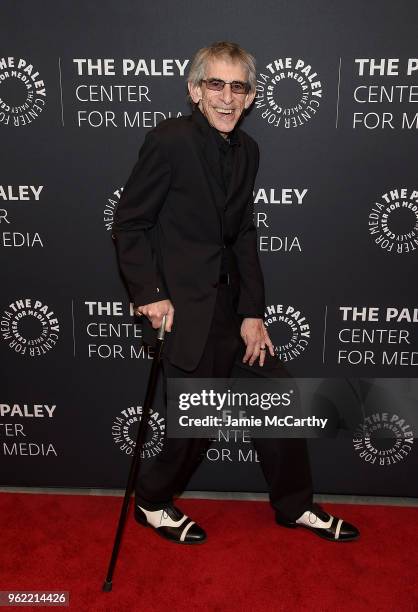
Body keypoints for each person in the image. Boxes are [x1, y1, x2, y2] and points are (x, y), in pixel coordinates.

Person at [112, 41, 359, 544]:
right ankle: (153, 502)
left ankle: (295, 506)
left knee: (279, 398)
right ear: (194, 91)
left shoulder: (249, 151)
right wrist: (151, 294)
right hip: (182, 311)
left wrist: (252, 311)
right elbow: (130, 223)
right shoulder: (170, 141)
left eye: (238, 87)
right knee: (195, 425)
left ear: (251, 97)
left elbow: (243, 234)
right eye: (215, 84)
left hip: (231, 309)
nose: (227, 97)